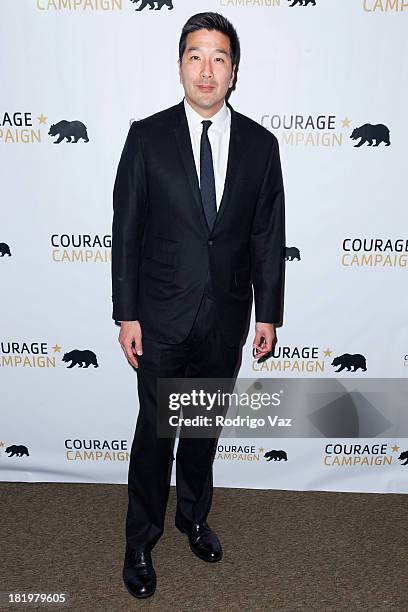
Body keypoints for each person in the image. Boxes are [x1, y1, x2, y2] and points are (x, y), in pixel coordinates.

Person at [111, 11, 286, 599]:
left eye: (218, 58)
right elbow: (127, 232)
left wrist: (267, 314)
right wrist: (126, 313)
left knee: (203, 427)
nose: (206, 70)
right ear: (180, 64)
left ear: (234, 71)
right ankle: (140, 539)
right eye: (195, 56)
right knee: (157, 433)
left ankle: (193, 515)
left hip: (226, 317)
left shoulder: (262, 146)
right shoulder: (147, 136)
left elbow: (266, 235)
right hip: (159, 316)